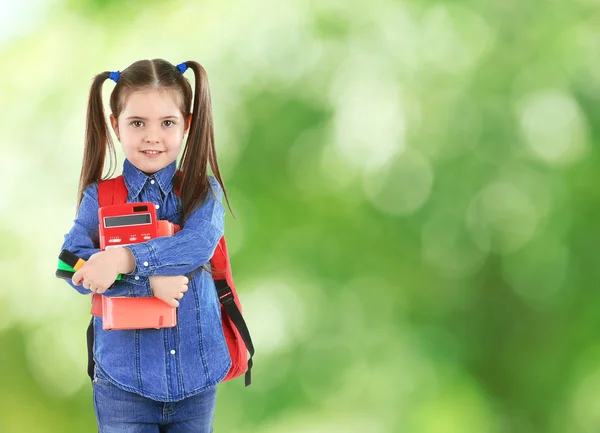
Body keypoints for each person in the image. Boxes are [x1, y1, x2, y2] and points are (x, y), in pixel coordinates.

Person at [60, 58, 232, 433]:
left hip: (196, 378)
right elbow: (69, 263)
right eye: (137, 123)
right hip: (123, 386)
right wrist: (146, 285)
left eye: (167, 123)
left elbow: (197, 246)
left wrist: (124, 258)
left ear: (186, 125)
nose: (152, 136)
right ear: (115, 125)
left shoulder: (204, 193)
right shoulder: (99, 198)